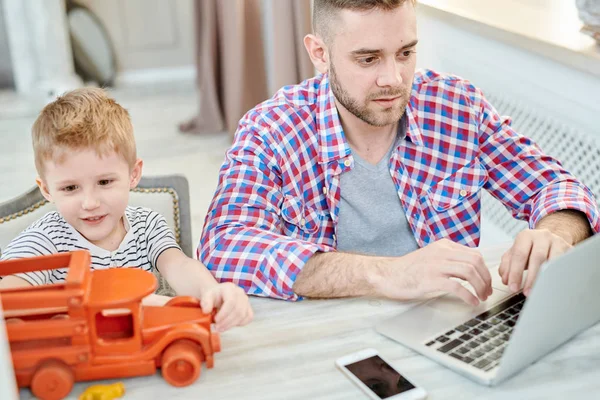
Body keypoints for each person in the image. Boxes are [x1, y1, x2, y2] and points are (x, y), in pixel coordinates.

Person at [199, 0, 599, 304]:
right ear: (319, 54)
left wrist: (552, 234)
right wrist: (386, 275)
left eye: (405, 53)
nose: (393, 79)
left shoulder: (456, 106)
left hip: (444, 325)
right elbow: (223, 245)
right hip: (327, 336)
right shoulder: (272, 129)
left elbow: (557, 188)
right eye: (368, 59)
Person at [0, 88, 252, 332]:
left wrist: (212, 292)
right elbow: (10, 297)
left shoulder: (148, 224)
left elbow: (179, 265)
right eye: (70, 188)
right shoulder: (45, 239)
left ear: (133, 174)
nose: (90, 202)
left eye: (105, 182)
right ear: (46, 189)